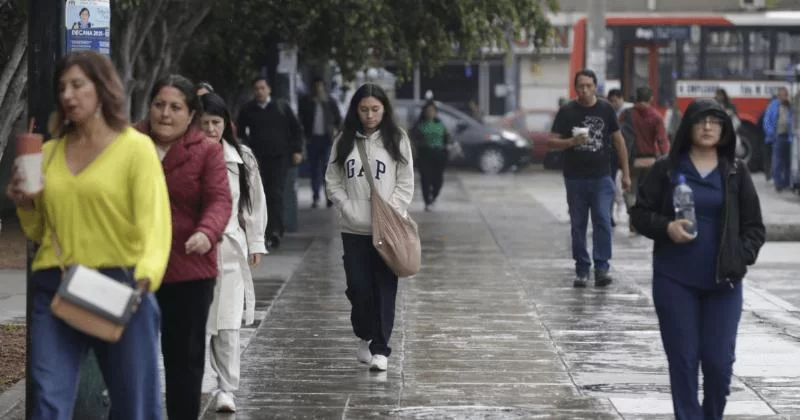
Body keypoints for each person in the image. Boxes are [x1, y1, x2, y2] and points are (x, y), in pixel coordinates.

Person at [7, 51, 171, 420]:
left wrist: (145, 276)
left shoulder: (135, 148)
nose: (68, 94)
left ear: (102, 88)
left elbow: (155, 223)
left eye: (78, 84)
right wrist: (26, 203)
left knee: (136, 408)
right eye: (62, 87)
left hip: (123, 285)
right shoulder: (47, 154)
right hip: (57, 285)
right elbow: (38, 231)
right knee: (47, 401)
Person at [630, 99, 765, 420]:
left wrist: (740, 257)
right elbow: (639, 214)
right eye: (701, 121)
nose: (707, 127)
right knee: (684, 362)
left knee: (719, 366)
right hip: (674, 281)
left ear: (724, 129)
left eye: (715, 122)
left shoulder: (735, 170)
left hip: (724, 283)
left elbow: (755, 228)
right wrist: (666, 227)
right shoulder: (667, 168)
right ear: (688, 126)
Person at [136, 74, 232, 420]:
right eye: (159, 105)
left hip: (189, 269)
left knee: (184, 363)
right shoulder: (130, 142)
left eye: (175, 107)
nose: (165, 114)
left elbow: (220, 199)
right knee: (130, 362)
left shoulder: (206, 150)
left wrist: (207, 232)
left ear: (191, 114)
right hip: (135, 267)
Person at [325, 83, 414, 372]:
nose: (370, 115)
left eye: (375, 109)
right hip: (354, 229)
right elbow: (332, 180)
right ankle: (363, 333)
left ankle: (381, 349)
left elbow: (405, 180)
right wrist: (346, 206)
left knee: (385, 288)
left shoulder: (397, 139)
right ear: (356, 110)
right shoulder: (344, 140)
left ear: (384, 109)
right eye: (364, 109)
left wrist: (393, 210)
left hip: (386, 227)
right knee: (359, 288)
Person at [199, 92, 268, 412]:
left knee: (227, 324)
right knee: (195, 324)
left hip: (229, 247)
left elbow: (253, 203)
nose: (211, 129)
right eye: (205, 123)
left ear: (227, 124)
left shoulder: (242, 158)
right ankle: (195, 382)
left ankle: (226, 387)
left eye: (216, 123)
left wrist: (255, 242)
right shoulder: (183, 156)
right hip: (192, 252)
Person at [549, 69, 631, 288]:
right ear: (576, 88)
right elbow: (552, 142)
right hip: (575, 177)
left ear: (595, 87)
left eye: (588, 86)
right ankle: (582, 269)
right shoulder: (567, 111)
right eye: (581, 86)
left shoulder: (606, 109)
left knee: (603, 220)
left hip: (602, 177)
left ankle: (602, 267)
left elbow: (619, 141)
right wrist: (570, 143)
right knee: (578, 225)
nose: (584, 90)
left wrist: (626, 174)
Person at [236, 77, 304, 250]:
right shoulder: (248, 110)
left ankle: (275, 231)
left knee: (276, 194)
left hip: (279, 159)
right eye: (256, 88)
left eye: (262, 88)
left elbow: (296, 129)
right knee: (260, 195)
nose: (259, 91)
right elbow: (240, 131)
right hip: (257, 159)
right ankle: (262, 231)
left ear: (269, 89)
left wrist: (297, 150)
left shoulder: (281, 108)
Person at [621, 86, 670, 233]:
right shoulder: (656, 116)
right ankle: (641, 222)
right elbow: (662, 140)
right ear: (651, 99)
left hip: (632, 161)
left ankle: (632, 218)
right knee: (646, 194)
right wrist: (667, 160)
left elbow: (618, 136)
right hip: (650, 161)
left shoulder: (626, 114)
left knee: (630, 192)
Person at [299, 77, 343, 208]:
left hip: (327, 140)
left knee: (326, 168)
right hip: (312, 139)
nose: (318, 89)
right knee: (314, 169)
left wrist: (336, 133)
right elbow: (301, 119)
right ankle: (315, 197)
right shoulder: (306, 102)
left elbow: (338, 119)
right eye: (316, 86)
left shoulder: (330, 102)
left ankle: (328, 197)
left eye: (320, 86)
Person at [410, 100, 450, 211]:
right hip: (424, 155)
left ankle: (434, 195)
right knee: (425, 178)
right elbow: (413, 138)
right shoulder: (419, 125)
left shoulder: (440, 124)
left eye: (432, 111)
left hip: (439, 155)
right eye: (428, 111)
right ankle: (427, 201)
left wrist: (446, 149)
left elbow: (447, 139)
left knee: (438, 179)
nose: (430, 113)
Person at [762, 86, 793, 192]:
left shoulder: (790, 106)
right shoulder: (773, 105)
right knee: (778, 162)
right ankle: (778, 184)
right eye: (784, 94)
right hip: (778, 137)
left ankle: (787, 183)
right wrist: (771, 134)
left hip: (789, 137)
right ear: (779, 95)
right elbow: (766, 121)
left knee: (788, 162)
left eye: (786, 94)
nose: (786, 96)